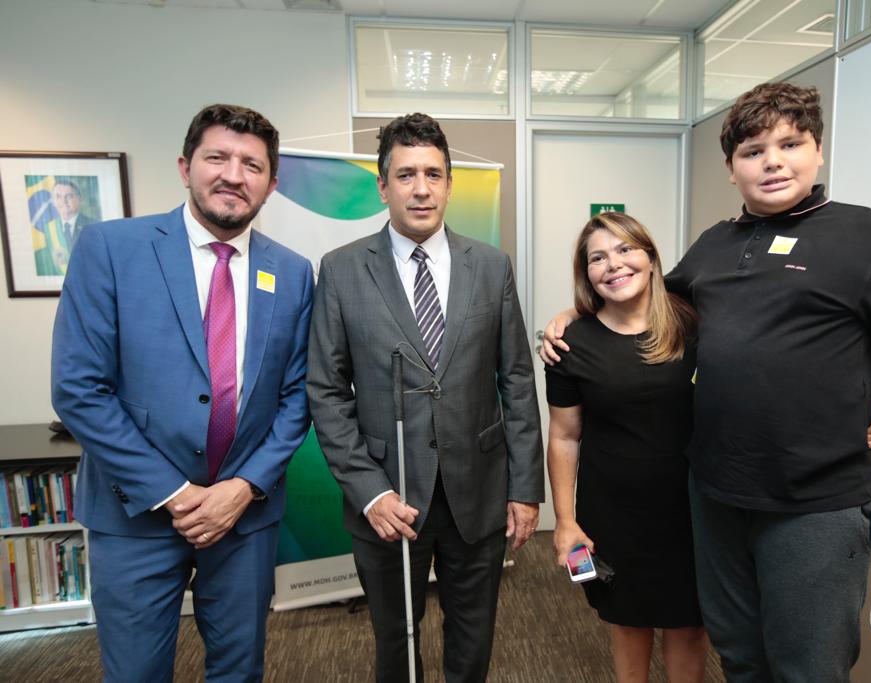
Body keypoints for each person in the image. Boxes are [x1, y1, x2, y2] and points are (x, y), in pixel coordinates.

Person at [542, 81, 871, 683]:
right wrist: (572, 315)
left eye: (791, 144)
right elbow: (640, 298)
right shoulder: (714, 246)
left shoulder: (867, 237)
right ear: (731, 168)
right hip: (716, 499)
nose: (773, 162)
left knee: (806, 667)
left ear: (819, 151)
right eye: (753, 151)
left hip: (813, 504)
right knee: (740, 657)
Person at [51, 104, 314, 682]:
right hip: (135, 514)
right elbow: (78, 389)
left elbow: (298, 396)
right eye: (217, 157)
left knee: (239, 671)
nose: (233, 175)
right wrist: (175, 494)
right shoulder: (111, 248)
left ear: (271, 184)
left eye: (252, 165)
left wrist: (243, 488)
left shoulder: (293, 272)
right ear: (184, 167)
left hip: (243, 517)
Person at [306, 113, 544, 682]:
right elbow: (327, 391)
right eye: (406, 174)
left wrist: (524, 488)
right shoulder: (341, 271)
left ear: (450, 185)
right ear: (382, 186)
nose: (421, 189)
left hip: (478, 492)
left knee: (473, 636)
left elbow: (516, 379)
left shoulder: (490, 266)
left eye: (433, 174)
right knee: (396, 639)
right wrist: (369, 492)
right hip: (389, 498)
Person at [545, 212, 707, 683]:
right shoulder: (570, 343)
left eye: (625, 249)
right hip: (613, 512)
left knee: (689, 624)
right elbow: (563, 436)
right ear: (587, 274)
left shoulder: (695, 325)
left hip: (693, 510)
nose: (613, 264)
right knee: (627, 622)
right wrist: (565, 521)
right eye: (597, 258)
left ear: (652, 259)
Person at [52, 178, 96, 253]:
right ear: (53, 202)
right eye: (58, 197)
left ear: (79, 199)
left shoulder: (92, 225)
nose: (63, 201)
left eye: (69, 196)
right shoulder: (50, 230)